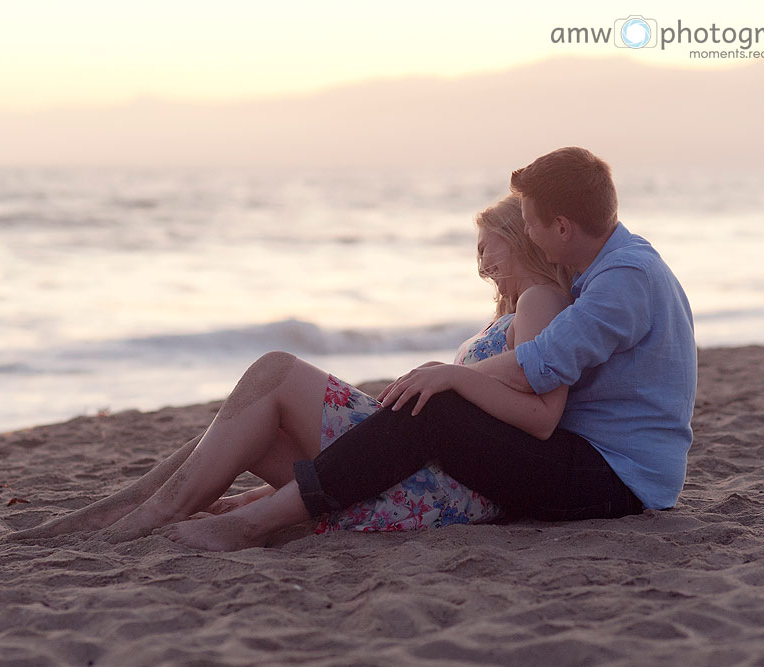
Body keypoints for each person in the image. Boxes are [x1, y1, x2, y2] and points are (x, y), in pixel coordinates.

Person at [158, 146, 698, 551]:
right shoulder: (612, 269)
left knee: (438, 403)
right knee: (434, 401)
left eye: (529, 224)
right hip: (598, 463)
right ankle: (243, 506)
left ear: (562, 226)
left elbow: (542, 366)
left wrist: (455, 376)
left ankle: (259, 520)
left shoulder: (622, 280)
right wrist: (453, 376)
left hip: (616, 481)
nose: (527, 236)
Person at [6, 193, 573, 543]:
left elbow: (540, 414)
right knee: (241, 429)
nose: (479, 258)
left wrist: (452, 377)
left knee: (274, 372)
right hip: (418, 472)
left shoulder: (540, 299)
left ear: (516, 236)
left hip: (433, 483)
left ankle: (146, 512)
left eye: (487, 243)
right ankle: (128, 509)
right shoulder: (514, 310)